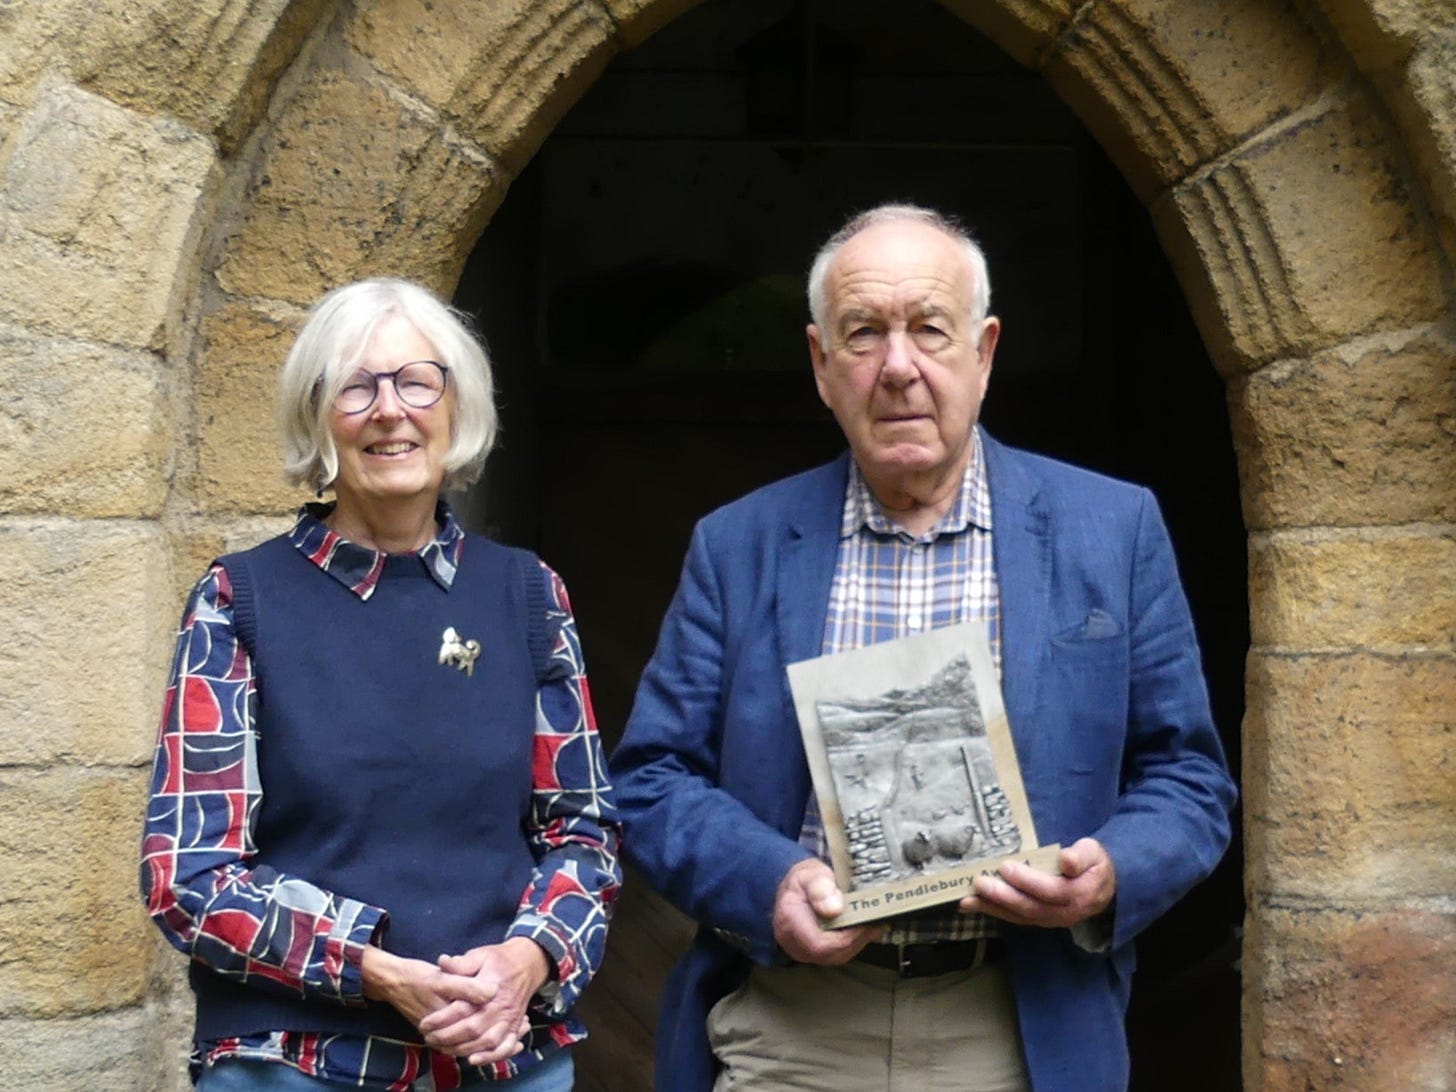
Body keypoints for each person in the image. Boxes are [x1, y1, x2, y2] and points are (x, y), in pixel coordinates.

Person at [609, 205, 1237, 1091]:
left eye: (930, 329)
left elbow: (1189, 777)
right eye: (863, 333)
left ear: (983, 352)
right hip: (796, 1029)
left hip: (1019, 1026)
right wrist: (772, 883)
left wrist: (1111, 874)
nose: (898, 366)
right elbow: (650, 779)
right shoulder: (738, 544)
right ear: (821, 364)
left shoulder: (1112, 529)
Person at [141, 278, 621, 1091]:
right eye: (355, 387)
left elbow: (584, 832)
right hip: (294, 1065)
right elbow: (186, 875)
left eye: (416, 382)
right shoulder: (238, 601)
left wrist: (529, 957)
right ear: (317, 416)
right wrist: (377, 968)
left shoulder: (529, 594)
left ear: (456, 405)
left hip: (501, 1057)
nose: (390, 410)